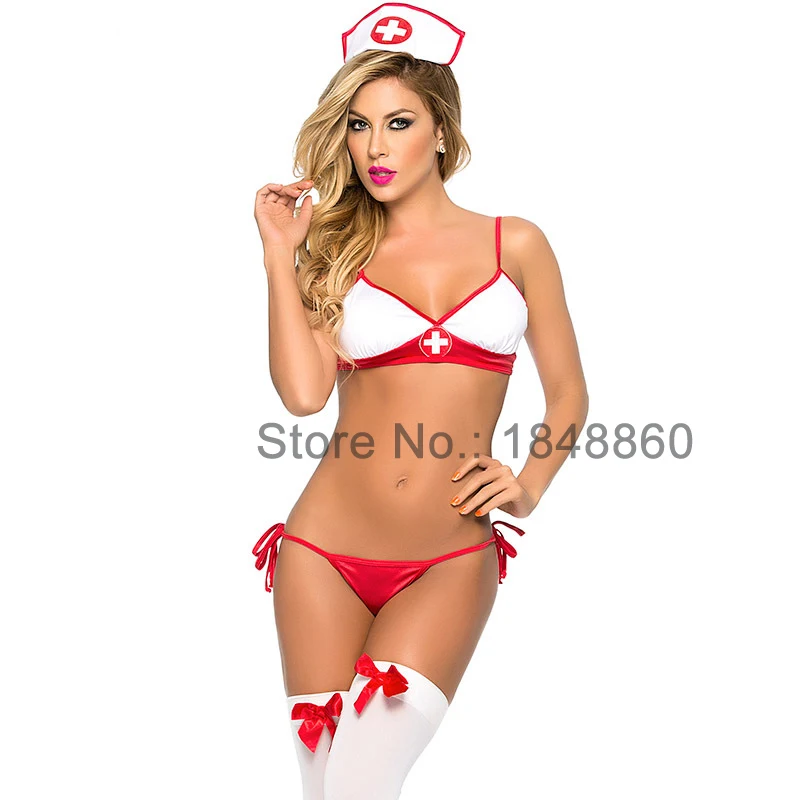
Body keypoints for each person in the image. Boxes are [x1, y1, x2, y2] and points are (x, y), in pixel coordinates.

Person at [251, 4, 588, 798]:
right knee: (327, 790)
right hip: (321, 555)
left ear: (440, 130)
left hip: (448, 558)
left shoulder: (516, 243)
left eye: (397, 123)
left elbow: (568, 393)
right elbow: (303, 395)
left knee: (360, 783)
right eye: (358, 126)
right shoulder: (336, 250)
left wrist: (528, 486)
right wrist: (279, 257)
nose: (375, 147)